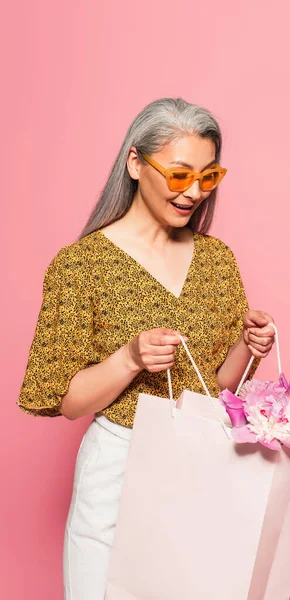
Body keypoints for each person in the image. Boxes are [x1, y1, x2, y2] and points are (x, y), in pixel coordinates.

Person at [17, 97, 276, 599]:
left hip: (202, 460)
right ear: (136, 163)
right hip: (119, 463)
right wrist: (129, 359)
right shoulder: (81, 266)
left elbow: (218, 386)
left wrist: (249, 347)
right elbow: (66, 401)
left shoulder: (217, 260)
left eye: (209, 177)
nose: (195, 192)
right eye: (179, 176)